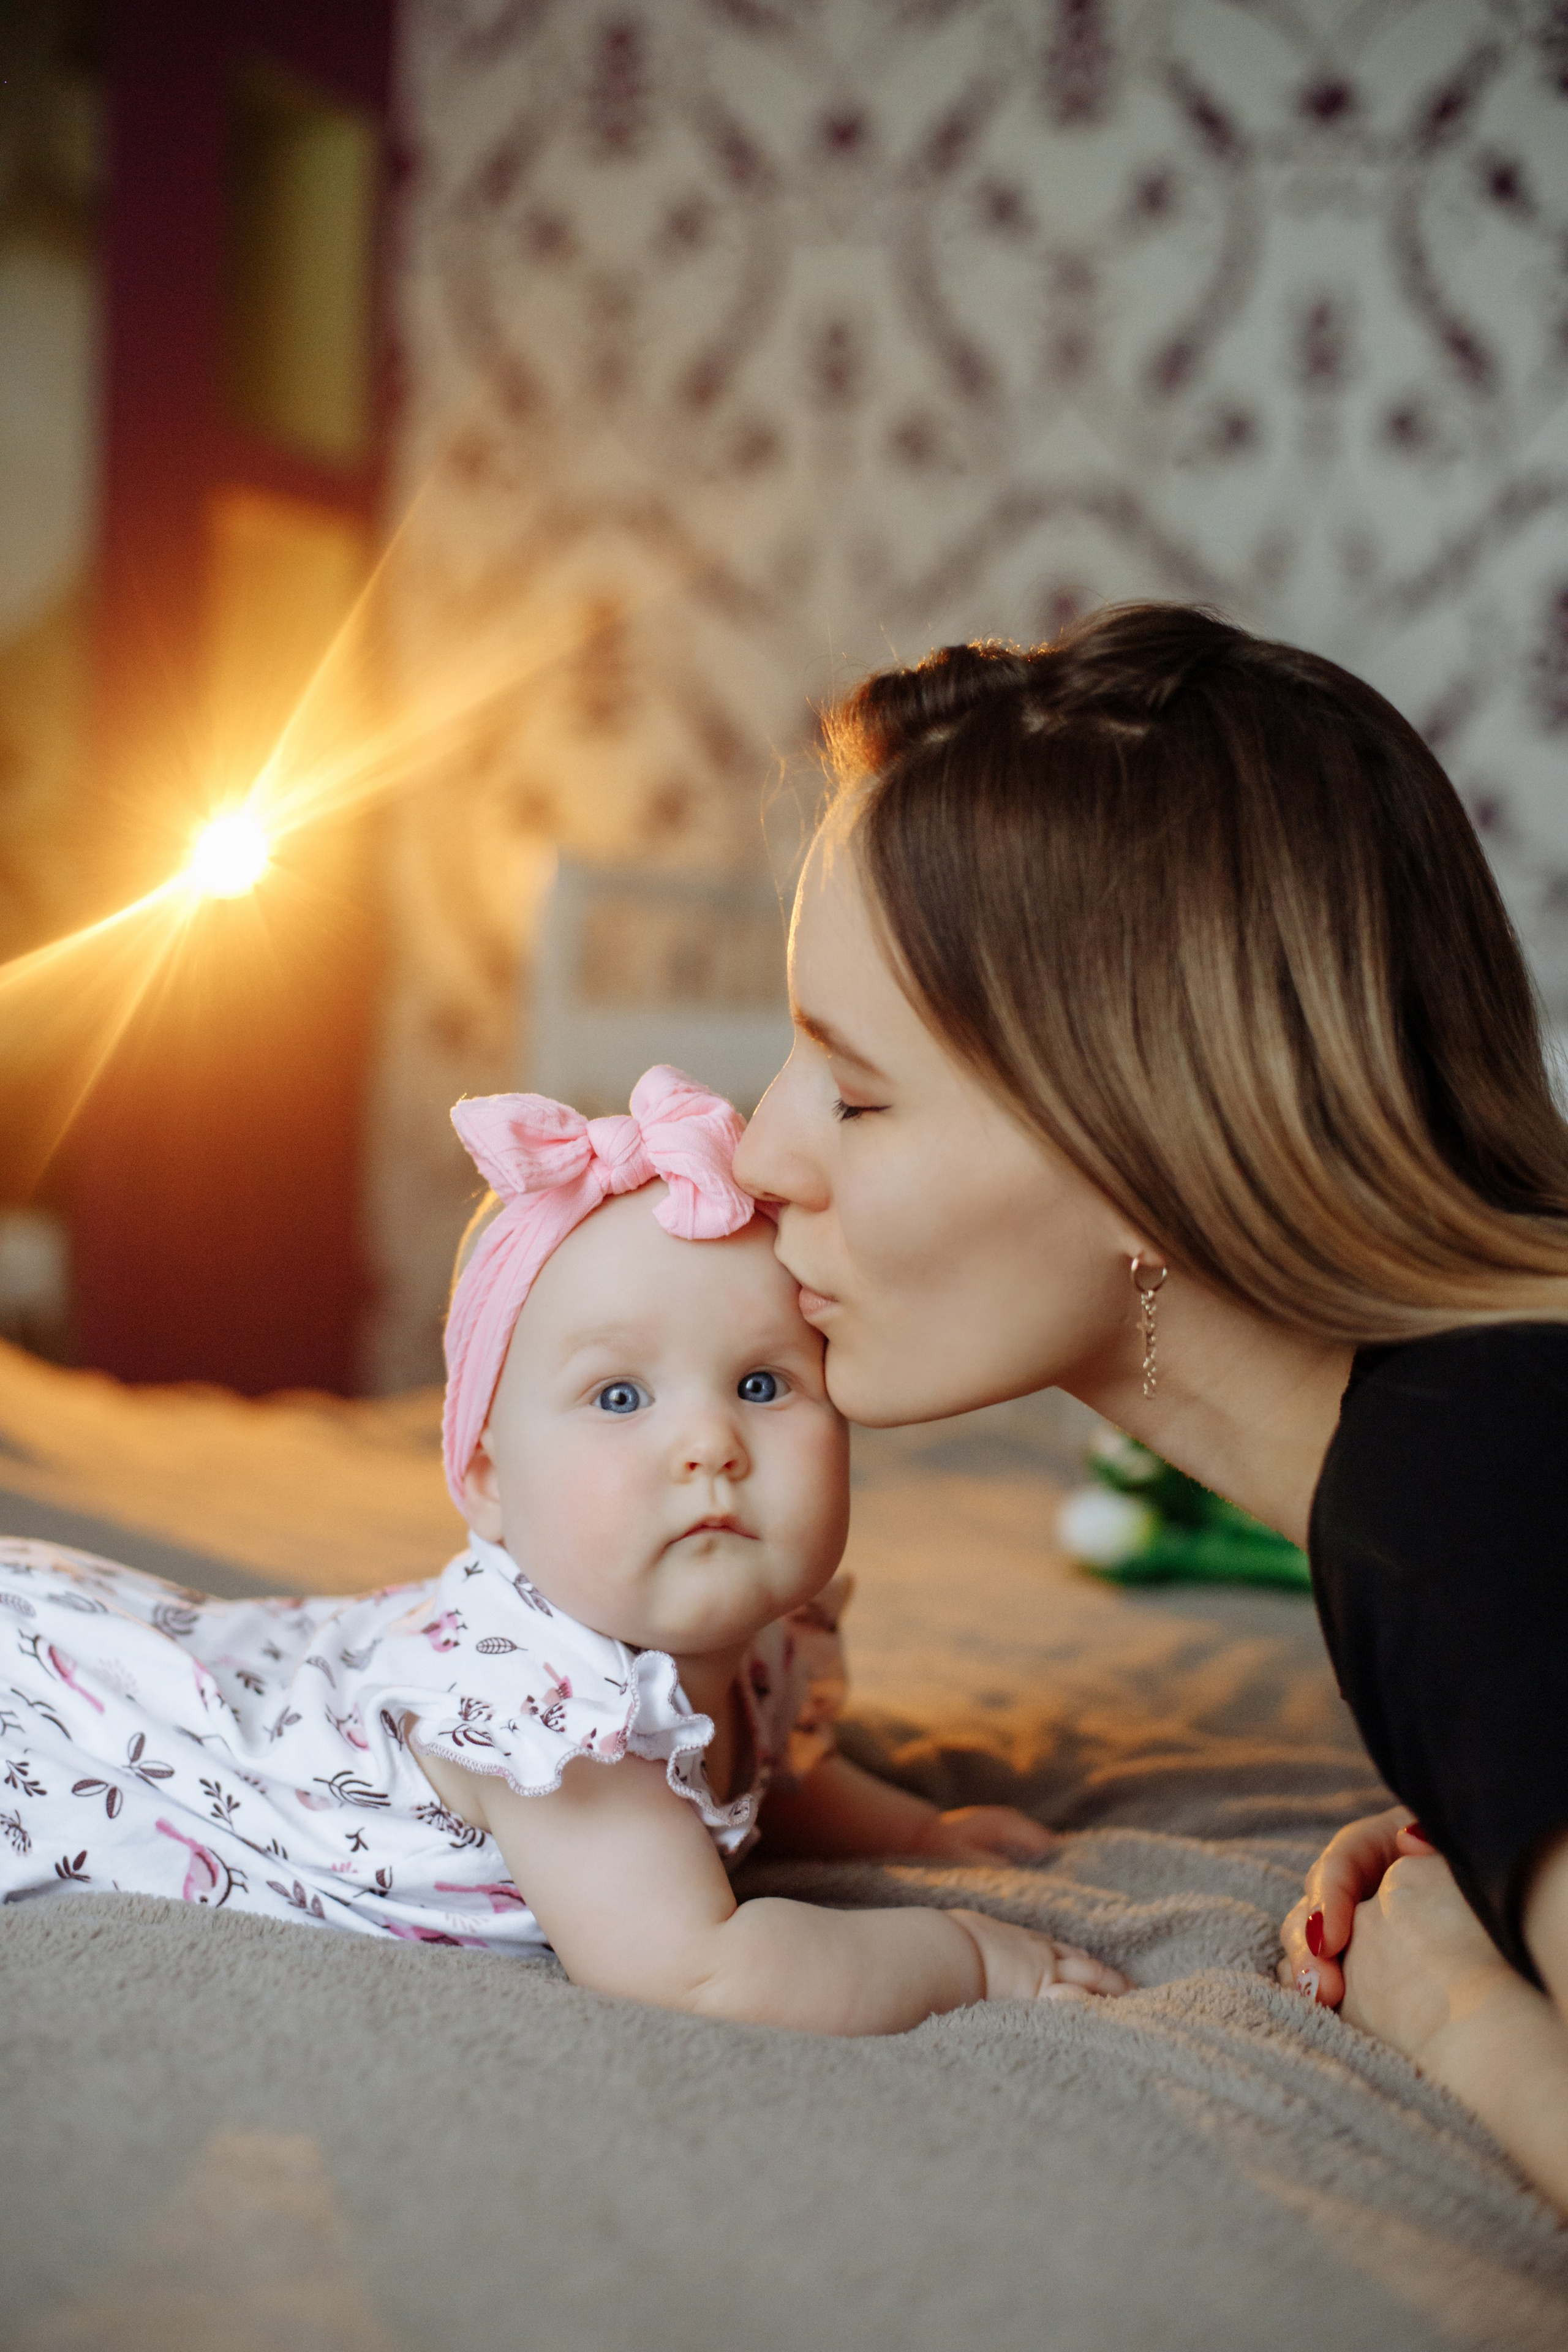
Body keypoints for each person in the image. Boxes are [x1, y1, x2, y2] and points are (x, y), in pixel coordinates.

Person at [731, 605, 1568, 2203]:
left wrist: (1463, 2014)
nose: (765, 1157)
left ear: (1141, 1141)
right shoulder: (1456, 1458)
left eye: (853, 1094)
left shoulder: (1466, 1501)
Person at [0, 1065, 1128, 2034]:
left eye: (761, 1383)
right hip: (63, 1703)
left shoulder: (752, 1629)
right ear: (488, 1479)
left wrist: (919, 1830)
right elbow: (698, 1971)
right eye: (620, 1394)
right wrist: (974, 1957)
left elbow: (783, 1767)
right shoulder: (550, 1718)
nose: (707, 1444)